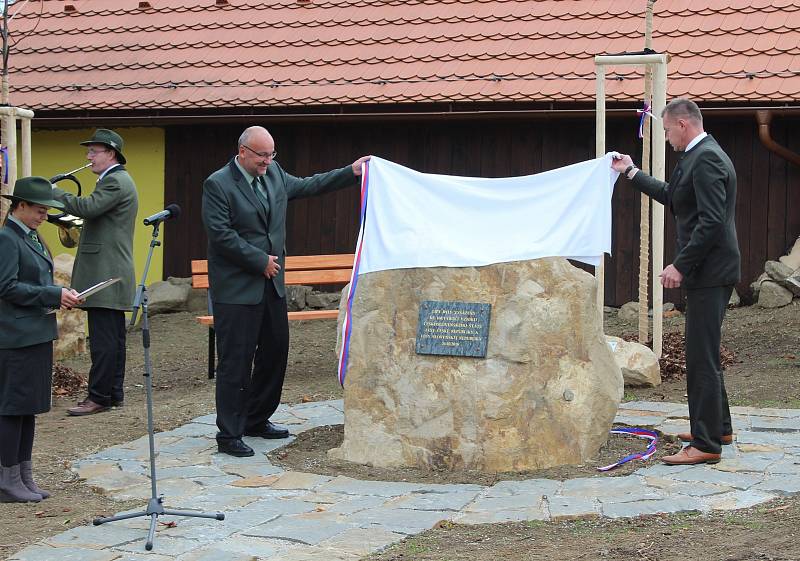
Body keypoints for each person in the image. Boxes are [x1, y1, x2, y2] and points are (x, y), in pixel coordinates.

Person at [202, 126, 369, 457]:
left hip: (271, 286)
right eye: (262, 155)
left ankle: (256, 418)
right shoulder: (218, 184)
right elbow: (220, 235)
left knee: (275, 353)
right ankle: (230, 433)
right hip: (237, 289)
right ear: (243, 152)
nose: (268, 161)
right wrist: (259, 260)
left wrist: (350, 172)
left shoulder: (274, 173)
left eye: (271, 154)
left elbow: (308, 185)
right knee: (236, 361)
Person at [611, 98, 740, 465]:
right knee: (705, 352)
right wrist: (631, 172)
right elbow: (673, 196)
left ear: (683, 124)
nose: (667, 138)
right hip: (709, 271)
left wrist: (680, 265)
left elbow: (712, 221)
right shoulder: (698, 156)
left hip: (710, 273)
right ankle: (720, 428)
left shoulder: (708, 158)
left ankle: (706, 444)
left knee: (700, 357)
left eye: (667, 130)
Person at [0, 177, 82, 502]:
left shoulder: (31, 237)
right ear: (19, 206)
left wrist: (60, 295)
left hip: (35, 333)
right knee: (12, 408)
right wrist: (52, 293)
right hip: (16, 336)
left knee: (29, 408)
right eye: (39, 210)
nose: (44, 216)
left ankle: (23, 475)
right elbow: (6, 287)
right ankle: (7, 479)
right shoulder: (7, 239)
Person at [52, 129, 139, 416]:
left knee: (104, 341)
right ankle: (113, 393)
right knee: (112, 338)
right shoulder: (114, 180)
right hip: (109, 271)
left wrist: (54, 193)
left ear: (111, 153)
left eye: (94, 151)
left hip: (107, 273)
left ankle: (98, 396)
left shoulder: (115, 182)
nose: (88, 157)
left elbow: (88, 207)